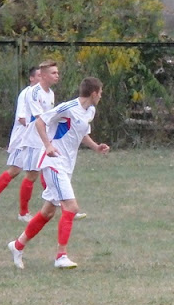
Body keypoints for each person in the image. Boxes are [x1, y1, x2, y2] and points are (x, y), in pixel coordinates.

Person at [7, 77, 109, 270]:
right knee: (71, 207)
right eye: (101, 93)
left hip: (67, 165)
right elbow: (40, 122)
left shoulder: (90, 111)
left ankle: (17, 245)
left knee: (48, 212)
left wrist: (96, 147)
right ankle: (61, 256)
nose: (101, 96)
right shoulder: (67, 107)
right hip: (53, 162)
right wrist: (48, 146)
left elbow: (81, 133)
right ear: (94, 93)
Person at [0, 66, 41, 221]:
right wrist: (36, 128)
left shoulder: (42, 94)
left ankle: (62, 203)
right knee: (17, 170)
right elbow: (21, 118)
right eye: (39, 75)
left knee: (43, 168)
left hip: (33, 139)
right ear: (31, 78)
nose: (42, 78)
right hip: (23, 139)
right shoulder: (27, 94)